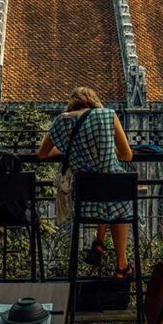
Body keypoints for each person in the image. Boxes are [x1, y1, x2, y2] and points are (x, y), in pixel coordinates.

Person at [37, 86, 135, 279]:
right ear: (93, 100)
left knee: (104, 196)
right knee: (114, 201)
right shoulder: (108, 115)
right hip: (115, 194)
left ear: (72, 103)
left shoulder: (61, 121)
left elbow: (42, 154)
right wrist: (108, 151)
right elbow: (127, 155)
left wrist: (63, 150)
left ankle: (100, 243)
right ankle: (121, 263)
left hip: (85, 202)